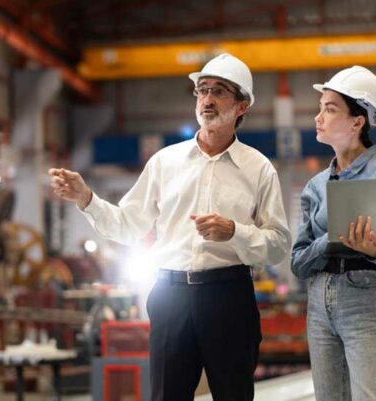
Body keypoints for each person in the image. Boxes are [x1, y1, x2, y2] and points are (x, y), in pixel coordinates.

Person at [49, 53, 291, 401]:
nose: (207, 99)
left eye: (219, 91)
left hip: (229, 295)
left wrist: (235, 232)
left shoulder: (259, 169)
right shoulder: (166, 162)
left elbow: (279, 244)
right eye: (202, 90)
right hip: (170, 296)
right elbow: (129, 226)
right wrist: (87, 198)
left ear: (241, 106)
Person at [291, 66, 376, 401]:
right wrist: (329, 241)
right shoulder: (316, 186)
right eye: (320, 108)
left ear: (357, 122)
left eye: (329, 109)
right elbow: (298, 263)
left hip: (367, 300)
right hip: (319, 303)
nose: (318, 118)